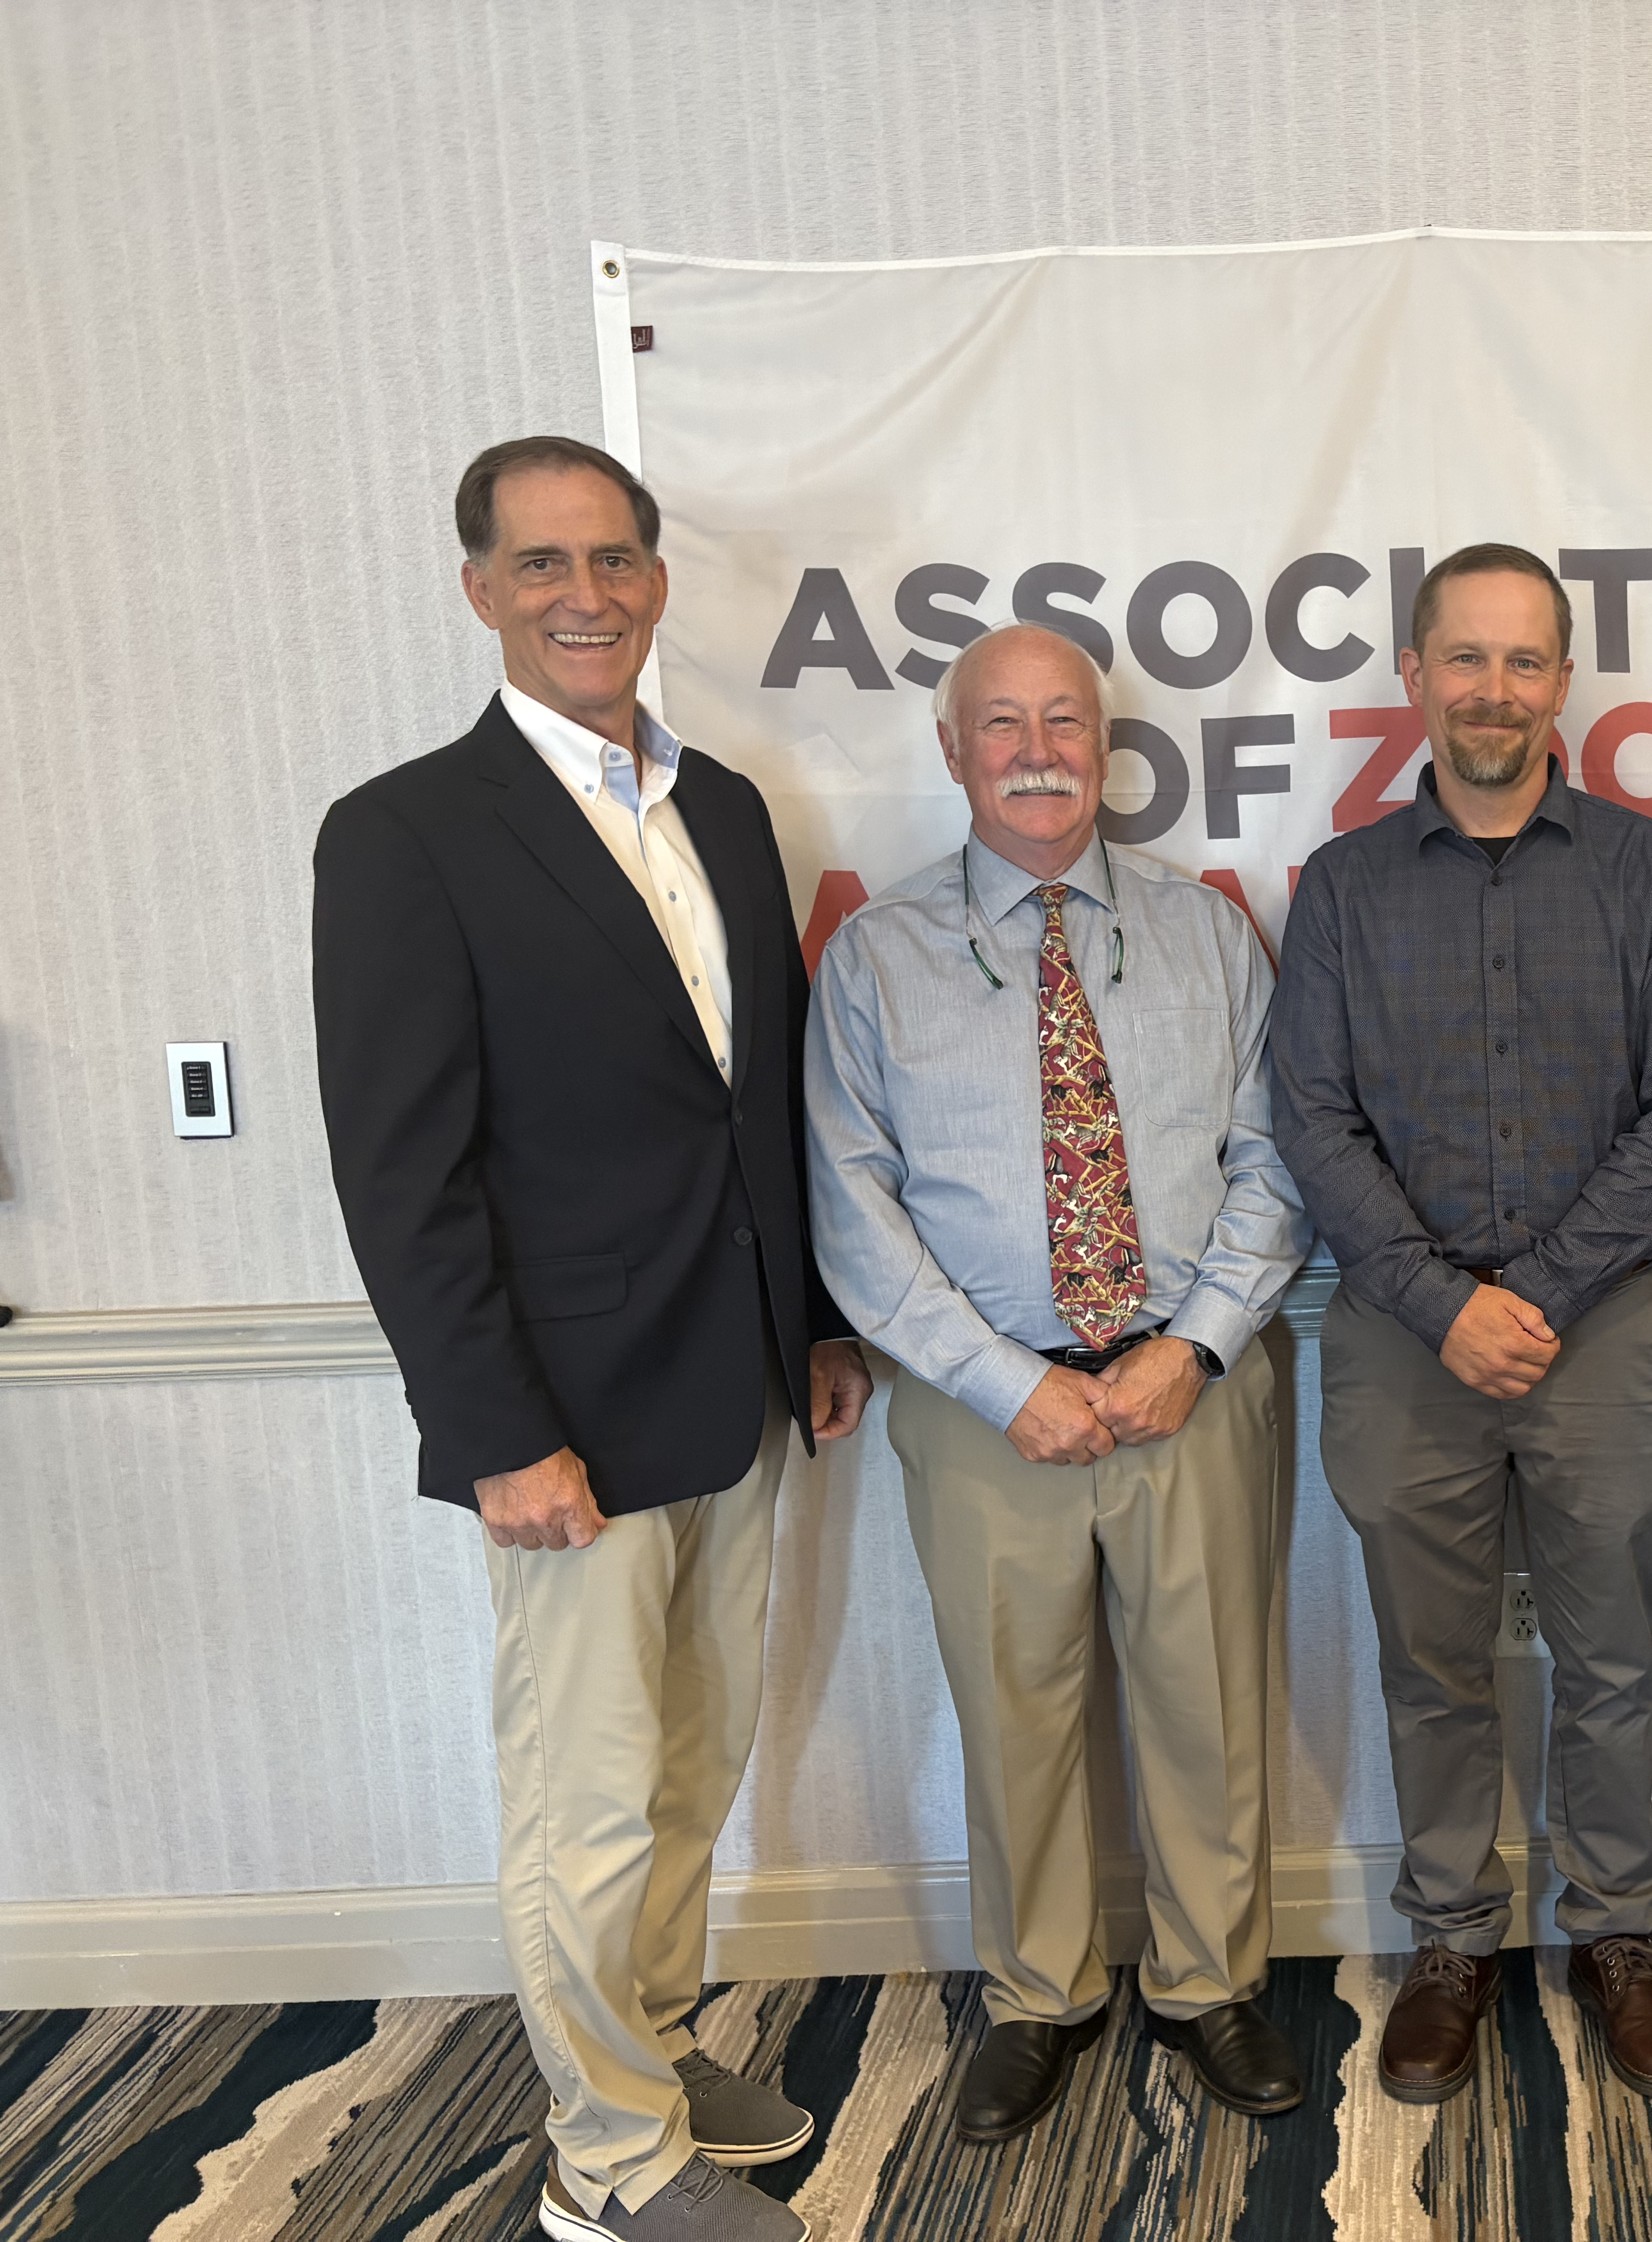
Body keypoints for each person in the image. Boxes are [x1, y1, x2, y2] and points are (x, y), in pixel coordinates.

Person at [313, 437, 872, 2242]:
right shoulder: (405, 835)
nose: (585, 594)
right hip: (565, 1416)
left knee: (693, 1768)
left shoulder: (725, 811)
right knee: (589, 1800)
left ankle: (653, 2044)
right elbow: (403, 1174)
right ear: (480, 587)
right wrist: (496, 1430)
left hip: (739, 1383)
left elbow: (758, 1103)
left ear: (655, 580)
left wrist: (818, 1324)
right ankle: (607, 2161)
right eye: (543, 563)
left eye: (614, 559)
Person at [806, 623, 1312, 2142]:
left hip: (1190, 1389)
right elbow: (852, 1202)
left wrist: (1194, 1344)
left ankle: (1211, 1985)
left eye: (1066, 721)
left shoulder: (1206, 933)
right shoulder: (875, 957)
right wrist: (998, 1381)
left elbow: (1278, 1158)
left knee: (1209, 1700)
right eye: (1003, 725)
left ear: (1105, 744)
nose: (1039, 752)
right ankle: (1040, 1996)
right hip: (985, 1413)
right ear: (953, 751)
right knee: (1014, 1709)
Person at [1267, 545, 1652, 2103]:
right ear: (1415, 676)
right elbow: (1313, 1117)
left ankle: (1619, 1931)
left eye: (1523, 661)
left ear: (1563, 682)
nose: (1493, 690)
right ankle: (1453, 1936)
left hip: (1603, 1328)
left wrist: (1530, 1293)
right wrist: (1439, 1300)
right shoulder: (1342, 888)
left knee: (1611, 1657)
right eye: (1464, 659)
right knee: (1432, 1661)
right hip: (1401, 1337)